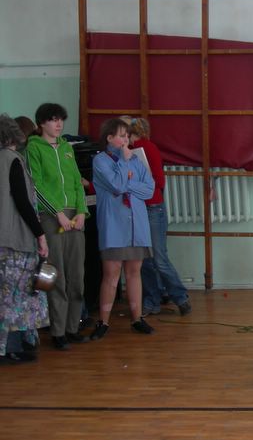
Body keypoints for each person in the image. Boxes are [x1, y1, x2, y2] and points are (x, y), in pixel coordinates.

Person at [26, 103, 89, 350]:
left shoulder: (66, 147)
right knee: (57, 276)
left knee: (77, 277)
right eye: (53, 120)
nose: (59, 124)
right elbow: (36, 185)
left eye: (61, 119)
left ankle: (73, 327)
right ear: (42, 123)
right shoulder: (33, 148)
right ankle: (58, 331)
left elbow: (76, 182)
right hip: (52, 218)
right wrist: (57, 212)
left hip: (75, 217)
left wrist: (82, 211)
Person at [89, 118, 155, 340]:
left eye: (127, 136)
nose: (126, 140)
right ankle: (103, 322)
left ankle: (137, 319)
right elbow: (116, 185)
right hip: (114, 225)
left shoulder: (136, 159)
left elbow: (149, 190)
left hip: (137, 225)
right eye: (121, 136)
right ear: (109, 138)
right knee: (111, 274)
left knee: (134, 272)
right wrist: (125, 165)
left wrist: (129, 184)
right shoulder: (101, 161)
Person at [126, 117, 191, 317]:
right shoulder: (139, 149)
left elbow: (157, 181)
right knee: (149, 259)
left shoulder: (143, 148)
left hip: (151, 207)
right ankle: (164, 299)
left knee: (154, 258)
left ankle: (172, 297)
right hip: (147, 206)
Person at [0, 114, 49, 364]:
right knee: (14, 296)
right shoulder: (13, 161)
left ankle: (15, 346)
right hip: (13, 240)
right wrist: (40, 234)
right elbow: (22, 201)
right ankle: (11, 347)